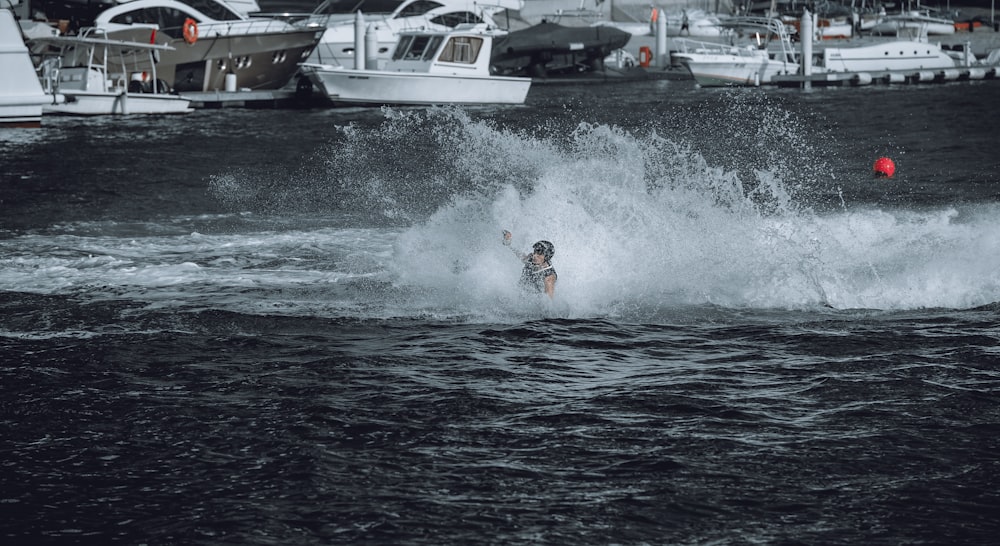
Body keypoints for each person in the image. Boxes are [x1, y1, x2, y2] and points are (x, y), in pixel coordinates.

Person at [502, 230, 557, 299]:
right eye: (535, 252)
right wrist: (509, 244)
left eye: (539, 253)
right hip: (519, 294)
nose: (534, 255)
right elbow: (522, 257)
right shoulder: (532, 259)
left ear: (547, 257)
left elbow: (548, 304)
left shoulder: (549, 278)